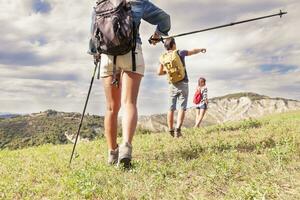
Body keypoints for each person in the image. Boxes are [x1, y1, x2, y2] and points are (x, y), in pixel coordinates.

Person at [89, 0, 171, 167]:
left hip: (107, 56)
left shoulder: (100, 5)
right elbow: (165, 19)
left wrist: (95, 54)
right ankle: (126, 147)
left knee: (111, 107)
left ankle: (112, 153)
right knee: (129, 103)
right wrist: (157, 35)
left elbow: (93, 38)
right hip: (132, 53)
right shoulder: (137, 2)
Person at [157, 37, 206, 138]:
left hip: (172, 84)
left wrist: (170, 71)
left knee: (171, 108)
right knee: (182, 108)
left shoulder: (163, 58)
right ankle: (178, 130)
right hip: (183, 83)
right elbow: (192, 51)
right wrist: (200, 49)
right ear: (173, 45)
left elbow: (159, 72)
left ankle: (170, 129)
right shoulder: (180, 53)